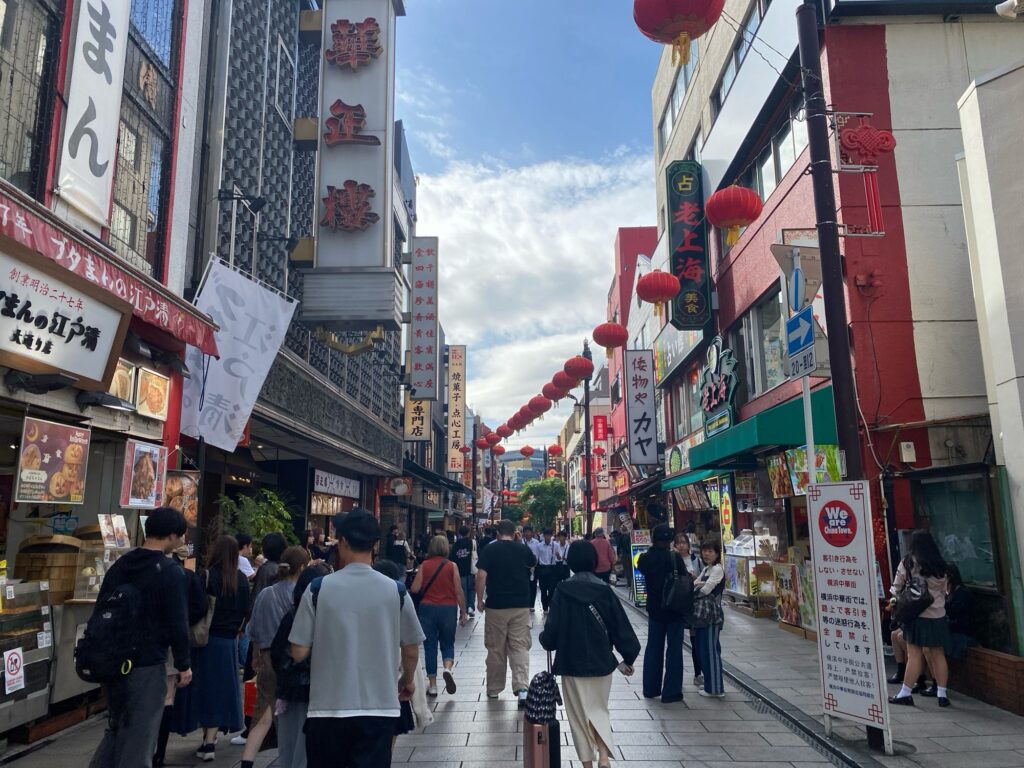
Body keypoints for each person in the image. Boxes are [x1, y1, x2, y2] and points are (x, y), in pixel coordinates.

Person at [289, 511, 424, 766]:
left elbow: (298, 652)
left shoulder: (318, 589)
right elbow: (411, 648)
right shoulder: (395, 590)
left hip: (327, 708)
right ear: (375, 545)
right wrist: (407, 680)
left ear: (342, 542)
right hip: (380, 708)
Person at [89, 507, 191, 768]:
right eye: (180, 537)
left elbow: (100, 609)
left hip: (111, 662)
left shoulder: (121, 564)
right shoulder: (169, 572)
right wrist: (184, 664)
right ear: (171, 535)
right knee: (140, 736)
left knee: (117, 728)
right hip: (145, 664)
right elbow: (177, 622)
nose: (180, 542)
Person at [540, 541, 640, 768]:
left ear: (571, 562)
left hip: (571, 663)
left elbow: (551, 633)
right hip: (601, 662)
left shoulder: (562, 590)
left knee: (577, 718)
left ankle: (587, 765)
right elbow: (621, 627)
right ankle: (603, 757)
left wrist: (545, 641)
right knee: (599, 709)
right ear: (594, 561)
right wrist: (628, 657)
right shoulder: (605, 591)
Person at [173, 535, 250, 761]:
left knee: (202, 688)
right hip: (229, 642)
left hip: (205, 640)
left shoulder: (206, 576)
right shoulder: (242, 580)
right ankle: (210, 741)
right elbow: (247, 610)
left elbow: (195, 608)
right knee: (221, 689)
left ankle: (206, 740)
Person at [240, 546, 310, 768]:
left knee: (263, 713)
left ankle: (247, 761)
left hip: (267, 658)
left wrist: (255, 656)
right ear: (301, 568)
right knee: (291, 716)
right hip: (293, 661)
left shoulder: (266, 593)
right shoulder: (302, 596)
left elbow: (254, 629)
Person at [154, 542, 209, 768]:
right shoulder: (187, 576)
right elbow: (201, 606)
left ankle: (143, 750)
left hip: (144, 645)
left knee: (145, 700)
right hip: (173, 643)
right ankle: (159, 753)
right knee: (167, 698)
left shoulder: (149, 572)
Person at [271, 563, 331, 768]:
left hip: (290, 689)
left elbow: (277, 652)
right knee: (309, 747)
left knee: (291, 744)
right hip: (316, 691)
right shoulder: (326, 617)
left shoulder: (292, 614)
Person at [476, 519, 537, 706]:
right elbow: (533, 564)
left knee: (495, 648)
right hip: (520, 605)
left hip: (496, 605)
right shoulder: (522, 549)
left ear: (497, 533)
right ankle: (522, 689)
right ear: (515, 533)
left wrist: (479, 600)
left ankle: (494, 689)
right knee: (519, 646)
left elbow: (481, 575)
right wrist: (519, 543)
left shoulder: (490, 550)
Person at [889, 530, 951, 708]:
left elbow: (896, 588)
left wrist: (894, 600)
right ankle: (942, 694)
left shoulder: (909, 562)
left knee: (914, 654)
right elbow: (944, 591)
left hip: (917, 615)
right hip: (938, 615)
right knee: (938, 654)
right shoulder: (941, 565)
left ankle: (905, 693)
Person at [636, 524, 687, 703]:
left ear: (652, 538)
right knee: (674, 649)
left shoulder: (645, 558)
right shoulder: (674, 557)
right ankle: (671, 691)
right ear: (670, 540)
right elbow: (684, 578)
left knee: (653, 648)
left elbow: (642, 569)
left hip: (655, 610)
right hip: (674, 610)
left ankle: (650, 688)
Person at [410, 535, 467, 696]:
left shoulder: (424, 565)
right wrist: (463, 612)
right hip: (448, 609)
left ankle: (433, 685)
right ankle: (447, 669)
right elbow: (458, 591)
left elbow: (414, 588)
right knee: (448, 643)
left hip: (427, 608)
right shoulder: (452, 566)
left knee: (430, 646)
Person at [693, 540, 727, 698]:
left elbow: (705, 589)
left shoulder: (718, 569)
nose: (706, 554)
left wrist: (699, 585)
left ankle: (715, 688)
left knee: (710, 650)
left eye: (710, 551)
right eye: (704, 551)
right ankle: (710, 684)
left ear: (717, 553)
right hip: (703, 614)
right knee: (703, 649)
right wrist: (699, 584)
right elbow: (696, 585)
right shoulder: (707, 568)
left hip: (712, 615)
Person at [673, 533, 704, 686]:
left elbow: (703, 578)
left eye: (683, 542)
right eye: (678, 543)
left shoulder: (696, 560)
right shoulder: (671, 560)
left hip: (694, 603)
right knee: (676, 640)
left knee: (695, 640)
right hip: (678, 604)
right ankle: (676, 675)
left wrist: (695, 579)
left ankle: (698, 673)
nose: (681, 545)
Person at [944, 563, 975, 666]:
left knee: (930, 647)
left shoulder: (962, 594)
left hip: (960, 633)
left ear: (950, 577)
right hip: (950, 629)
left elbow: (957, 615)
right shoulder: (945, 593)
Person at [450, 526, 477, 619]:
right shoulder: (472, 543)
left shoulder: (456, 544)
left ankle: (464, 609)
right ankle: (471, 607)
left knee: (462, 590)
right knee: (472, 589)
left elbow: (451, 558)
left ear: (460, 533)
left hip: (460, 571)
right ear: (468, 533)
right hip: (471, 570)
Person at [534, 528, 561, 613]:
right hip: (542, 569)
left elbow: (559, 559)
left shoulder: (556, 545)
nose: (548, 537)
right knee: (543, 589)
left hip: (552, 569)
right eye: (546, 535)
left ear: (551, 536)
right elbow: (536, 558)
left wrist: (558, 555)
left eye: (549, 535)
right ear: (543, 536)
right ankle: (545, 607)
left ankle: (549, 602)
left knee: (552, 589)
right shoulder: (539, 546)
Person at [523, 525, 543, 611]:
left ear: (532, 533)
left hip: (534, 567)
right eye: (525, 531)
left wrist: (535, 565)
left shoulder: (537, 543)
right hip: (523, 567)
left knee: (533, 586)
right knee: (524, 585)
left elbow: (538, 555)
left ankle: (531, 605)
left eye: (529, 531)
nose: (527, 533)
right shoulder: (521, 542)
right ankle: (525, 603)